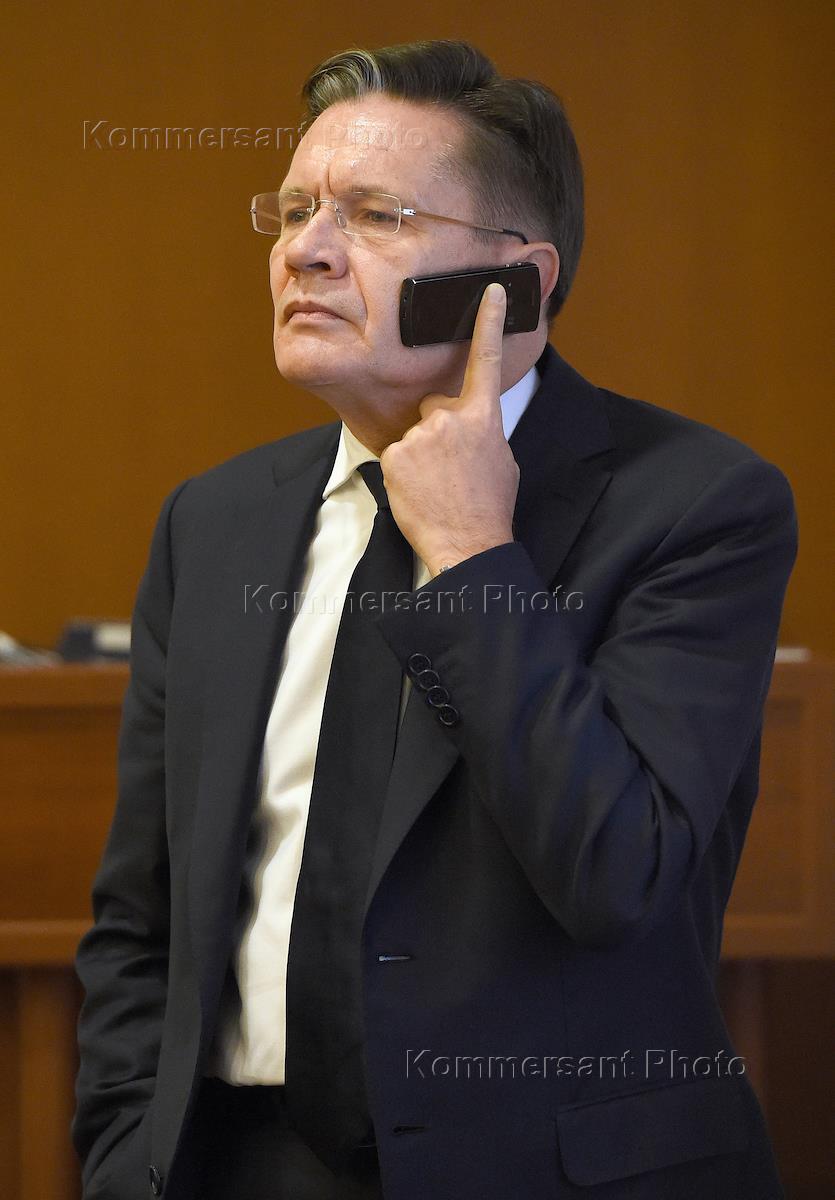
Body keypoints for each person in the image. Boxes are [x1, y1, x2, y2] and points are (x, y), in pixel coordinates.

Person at [72, 39, 797, 1200]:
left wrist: (470, 554)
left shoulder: (698, 503)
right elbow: (140, 910)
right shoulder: (213, 522)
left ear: (516, 280)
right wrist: (127, 1157)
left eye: (374, 215)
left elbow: (616, 873)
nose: (304, 251)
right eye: (294, 211)